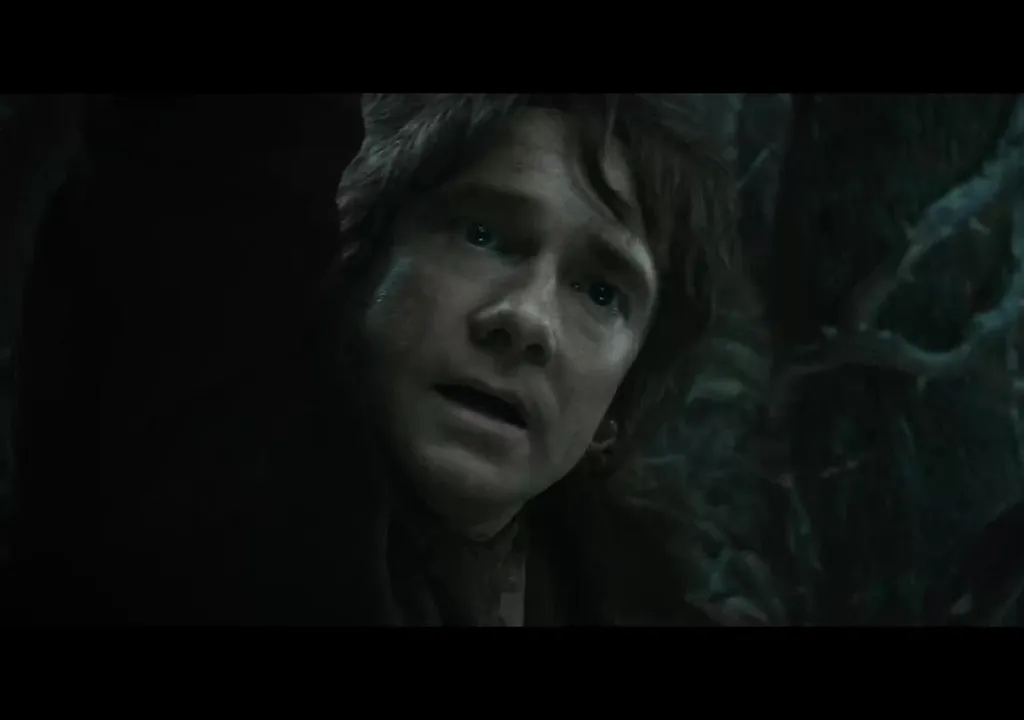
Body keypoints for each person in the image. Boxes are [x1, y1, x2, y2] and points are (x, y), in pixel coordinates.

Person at [10, 94, 740, 626]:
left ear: (619, 407)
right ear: (363, 267)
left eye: (602, 292)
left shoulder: (626, 599)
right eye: (481, 235)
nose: (526, 319)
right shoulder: (200, 492)